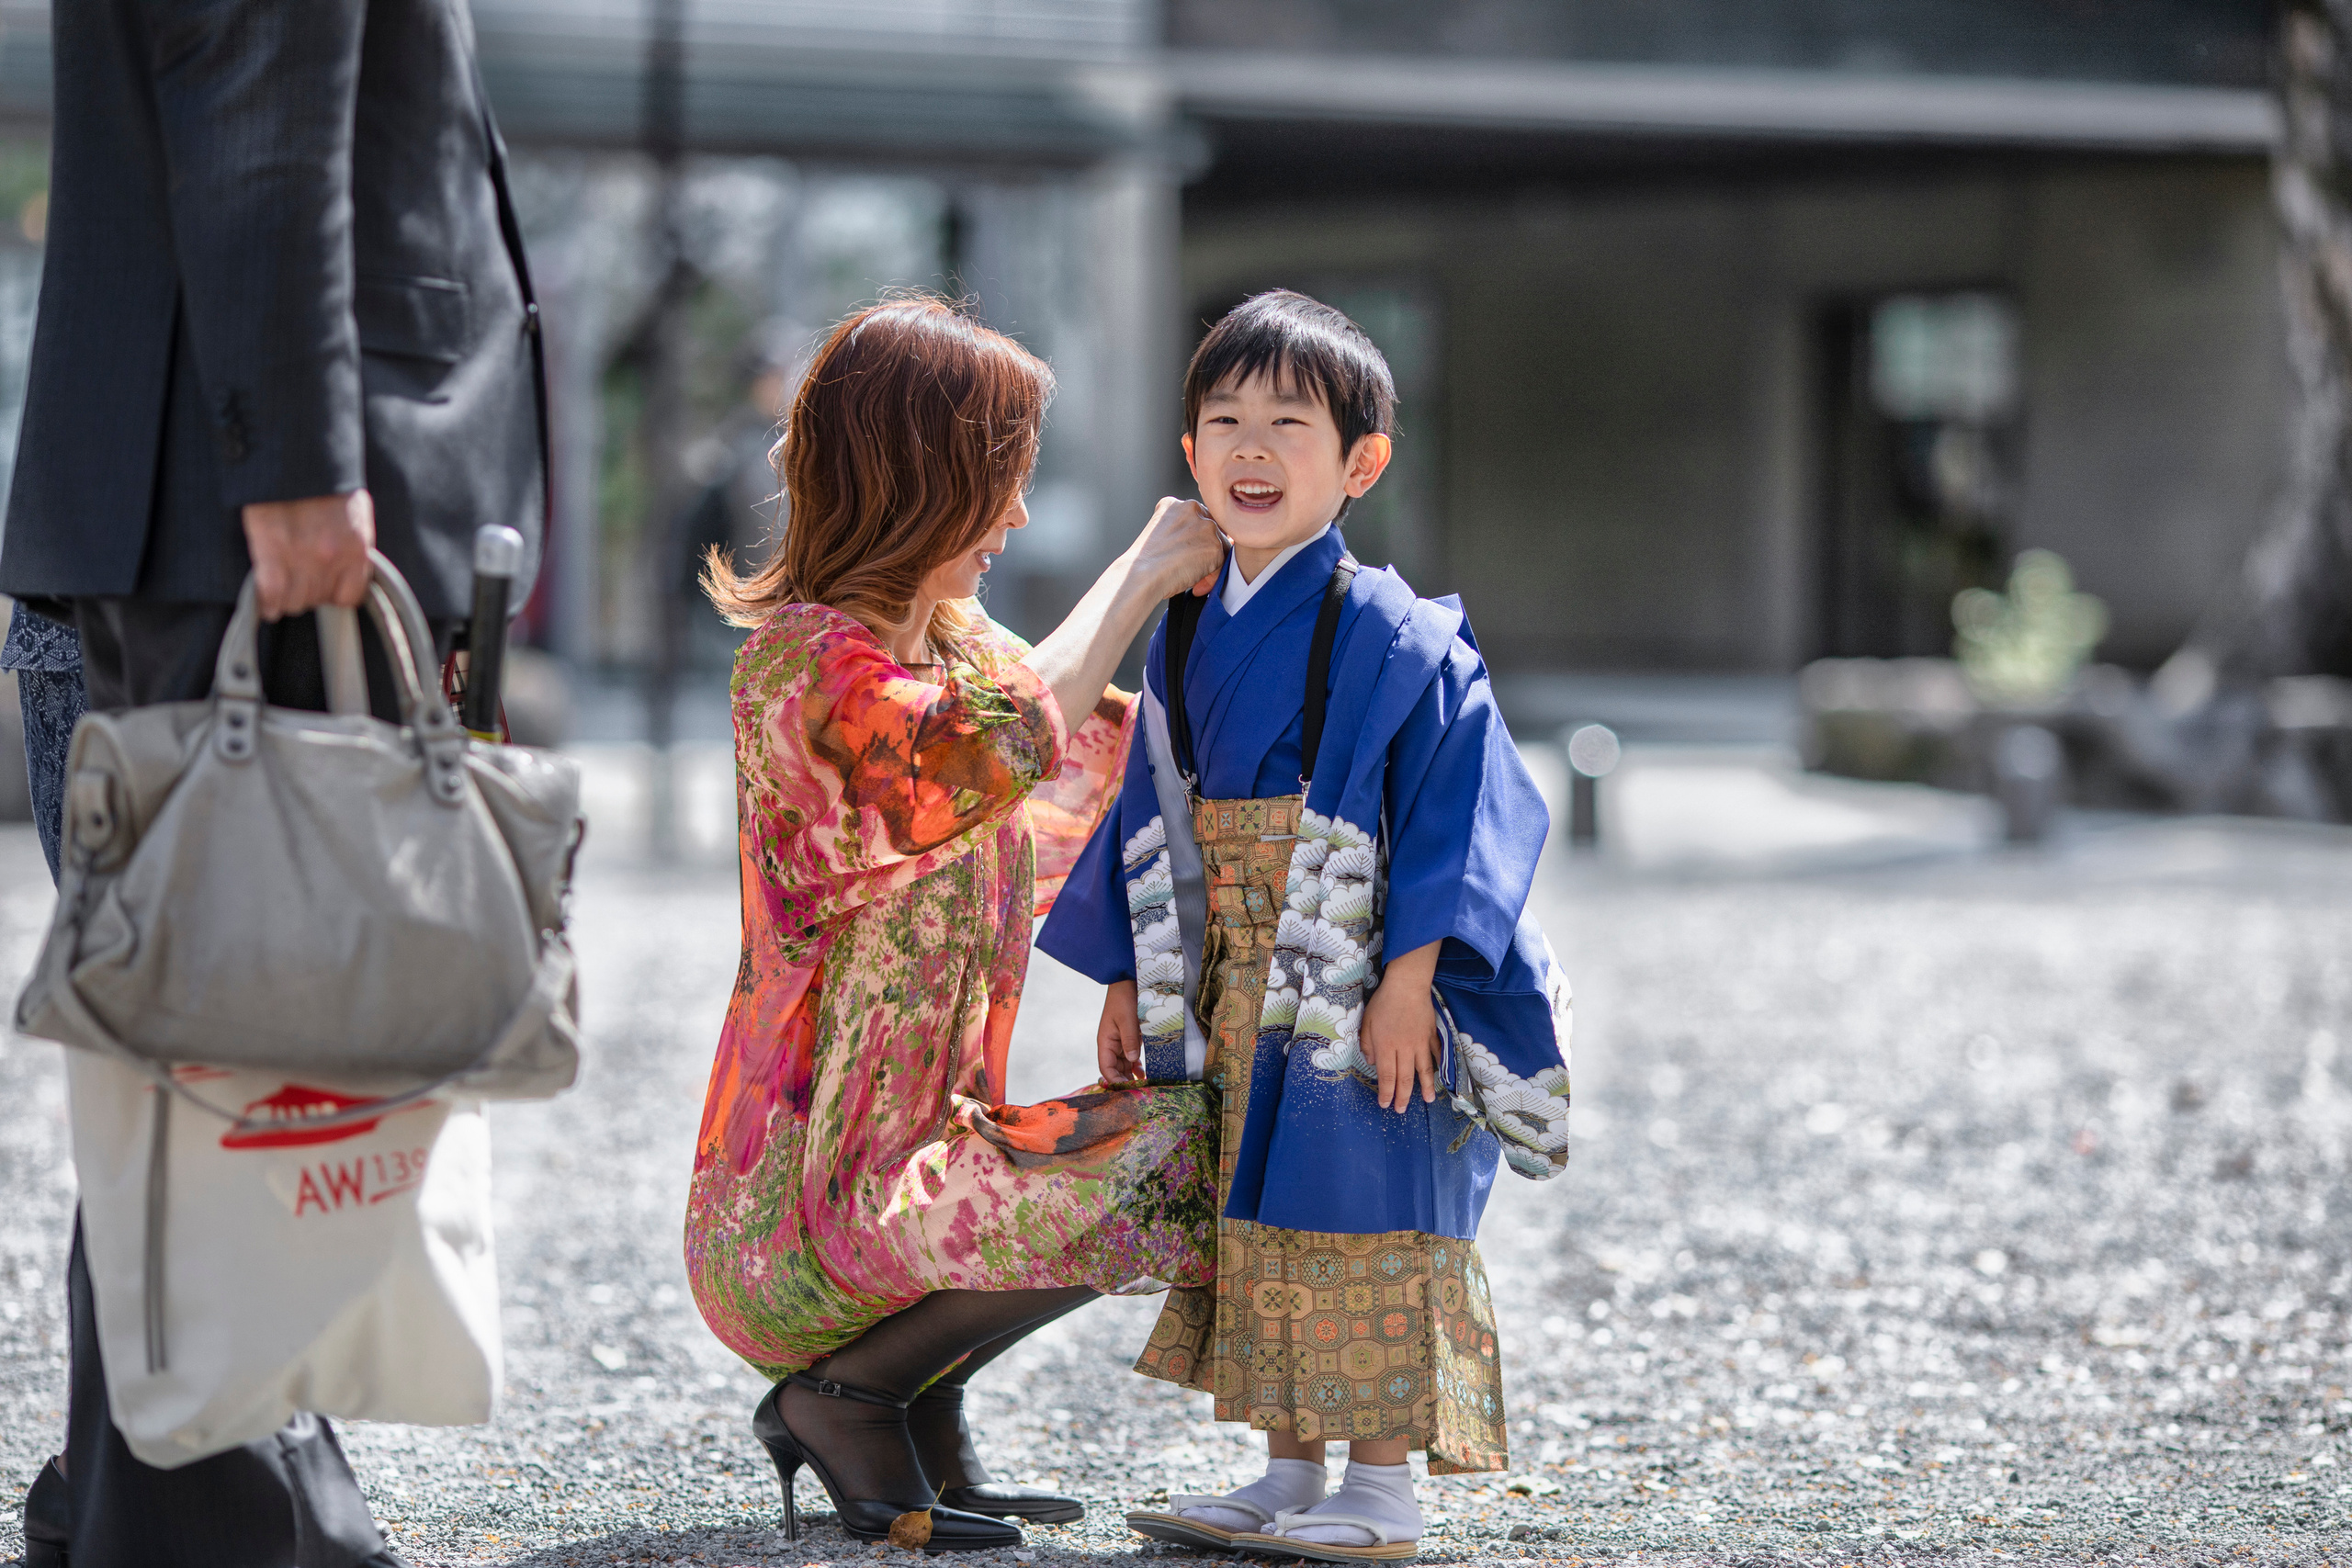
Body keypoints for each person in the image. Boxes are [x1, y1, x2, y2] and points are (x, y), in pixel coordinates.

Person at [0, 1, 547, 1562]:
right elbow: (254, 97)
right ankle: (204, 1520)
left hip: (232, 488)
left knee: (218, 1036)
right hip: (257, 501)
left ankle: (195, 1503)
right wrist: (294, 463)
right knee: (223, 1040)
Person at [1036, 289, 1575, 1563]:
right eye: (1224, 421)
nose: (1253, 449)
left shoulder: (1400, 633)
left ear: (1362, 462)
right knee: (1247, 1190)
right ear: (1188, 455)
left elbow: (1461, 807)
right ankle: (1286, 1469)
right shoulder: (1180, 620)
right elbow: (1142, 803)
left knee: (1359, 1184)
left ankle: (1382, 1487)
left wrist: (1411, 978)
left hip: (1352, 956)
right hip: (1221, 955)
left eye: (1290, 421)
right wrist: (1125, 969)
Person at [685, 297, 1227, 1552]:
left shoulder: (960, 645)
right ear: (918, 476)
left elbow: (1107, 760)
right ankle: (853, 1393)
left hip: (923, 1168)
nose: (1020, 519)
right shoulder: (804, 668)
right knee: (1183, 1166)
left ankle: (915, 1403)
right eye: (1003, 481)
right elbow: (992, 751)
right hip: (804, 1214)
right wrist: (1143, 570)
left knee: (1198, 1130)